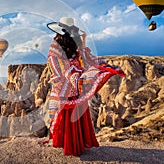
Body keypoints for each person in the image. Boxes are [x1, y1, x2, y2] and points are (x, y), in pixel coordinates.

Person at [46, 17, 125, 156]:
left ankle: (67, 144)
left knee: (65, 115)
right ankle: (75, 143)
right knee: (72, 115)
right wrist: (78, 77)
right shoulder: (69, 47)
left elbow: (83, 61)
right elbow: (77, 63)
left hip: (68, 85)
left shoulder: (60, 47)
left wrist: (106, 67)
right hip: (73, 85)